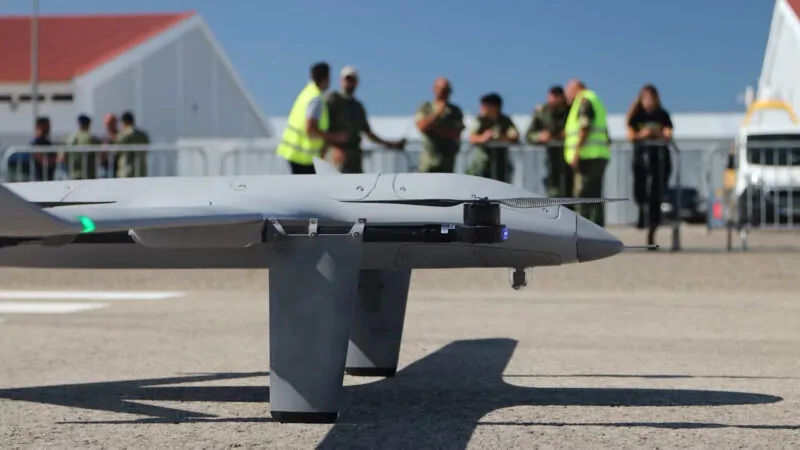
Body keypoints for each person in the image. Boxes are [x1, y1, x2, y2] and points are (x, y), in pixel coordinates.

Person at [325, 66, 406, 173]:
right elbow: (321, 128)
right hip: (336, 157)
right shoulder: (332, 101)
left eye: (352, 80)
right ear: (341, 81)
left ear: (357, 82)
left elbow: (368, 133)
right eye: (347, 79)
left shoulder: (358, 107)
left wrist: (391, 144)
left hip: (354, 159)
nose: (349, 83)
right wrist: (333, 147)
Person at [277, 62, 348, 174]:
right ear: (325, 78)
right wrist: (335, 138)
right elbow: (310, 128)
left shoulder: (307, 92)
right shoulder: (316, 99)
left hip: (294, 153)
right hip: (303, 157)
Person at [626, 84, 673, 246]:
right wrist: (642, 134)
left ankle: (652, 230)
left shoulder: (662, 115)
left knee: (656, 194)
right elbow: (630, 134)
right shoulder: (636, 115)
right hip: (641, 158)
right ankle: (641, 214)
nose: (648, 102)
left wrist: (656, 133)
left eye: (651, 98)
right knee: (639, 190)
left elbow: (668, 134)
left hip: (659, 160)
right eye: (645, 98)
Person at [564, 79, 611, 226]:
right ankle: (595, 230)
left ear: (576, 89)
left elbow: (585, 127)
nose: (567, 96)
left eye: (568, 92)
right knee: (594, 196)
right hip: (596, 155)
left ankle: (586, 230)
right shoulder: (595, 99)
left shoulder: (584, 100)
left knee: (584, 196)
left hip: (588, 157)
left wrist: (576, 153)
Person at [525, 86, 571, 196]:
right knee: (554, 196)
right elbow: (529, 135)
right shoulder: (542, 112)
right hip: (551, 162)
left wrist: (565, 135)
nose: (552, 101)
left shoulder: (571, 110)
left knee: (572, 197)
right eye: (550, 97)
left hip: (570, 161)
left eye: (556, 97)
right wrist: (540, 137)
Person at [415, 77, 465, 173]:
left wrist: (435, 129)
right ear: (434, 89)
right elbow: (421, 126)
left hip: (447, 162)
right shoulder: (426, 107)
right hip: (428, 162)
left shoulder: (455, 111)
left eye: (447, 91)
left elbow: (456, 133)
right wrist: (437, 114)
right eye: (441, 90)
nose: (444, 93)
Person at [466, 92, 519, 182]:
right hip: (481, 166)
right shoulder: (479, 120)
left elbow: (515, 137)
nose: (481, 108)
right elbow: (471, 137)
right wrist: (483, 138)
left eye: (485, 106)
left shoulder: (505, 121)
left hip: (501, 166)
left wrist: (499, 137)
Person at [65, 114, 101, 179]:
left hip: (73, 173)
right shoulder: (91, 137)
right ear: (88, 124)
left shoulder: (71, 137)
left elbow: (64, 155)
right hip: (88, 173)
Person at [115, 111, 150, 178]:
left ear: (124, 122)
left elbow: (117, 149)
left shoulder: (123, 135)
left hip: (127, 170)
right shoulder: (143, 135)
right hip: (141, 169)